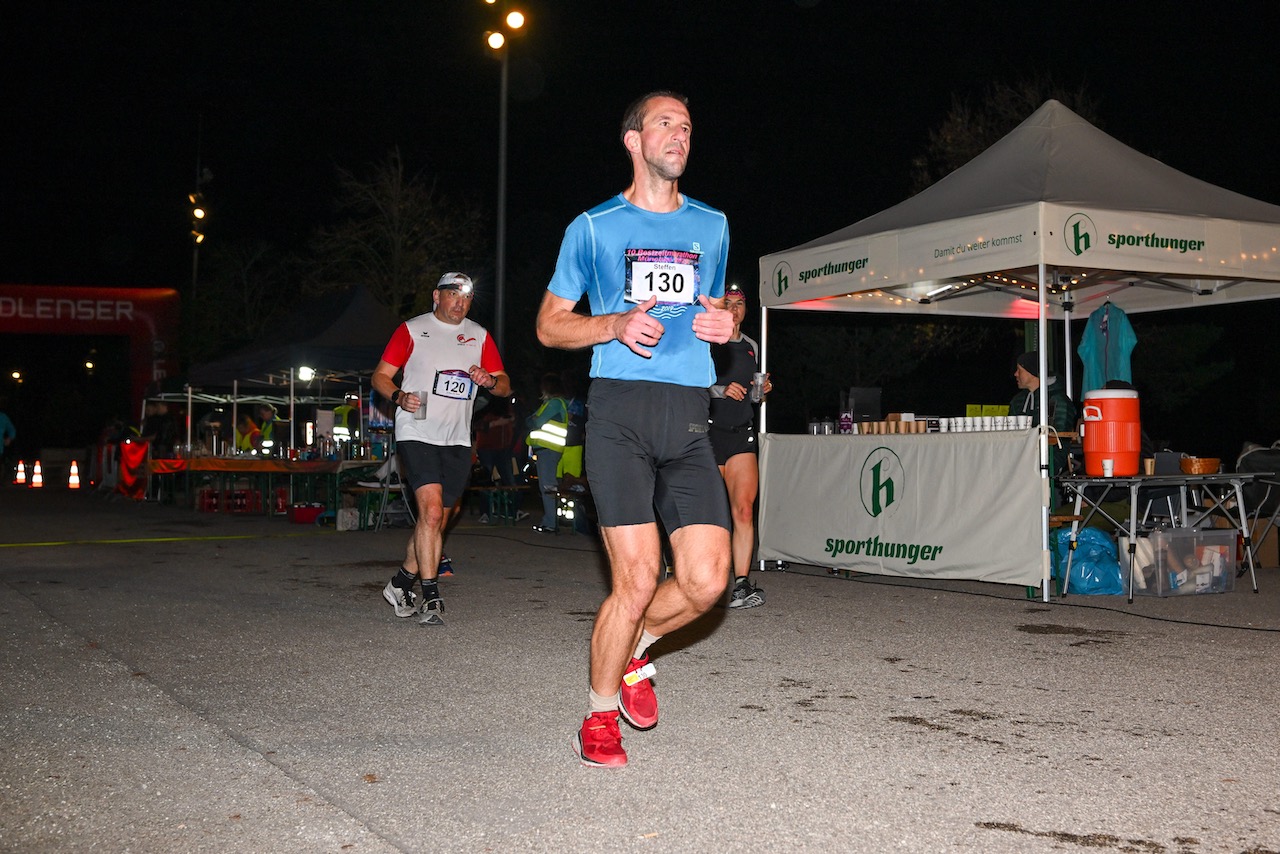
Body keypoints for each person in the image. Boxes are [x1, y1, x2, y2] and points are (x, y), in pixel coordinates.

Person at [536, 90, 735, 767]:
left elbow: (719, 298)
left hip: (686, 416)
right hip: (619, 414)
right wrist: (614, 324)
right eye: (665, 124)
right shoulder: (593, 228)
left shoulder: (712, 225)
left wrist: (727, 322)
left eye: (687, 124)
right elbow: (548, 324)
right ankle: (597, 719)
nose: (679, 133)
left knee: (711, 581)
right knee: (638, 579)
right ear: (633, 139)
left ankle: (634, 651)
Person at [372, 271, 510, 627]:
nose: (460, 303)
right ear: (437, 296)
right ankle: (431, 597)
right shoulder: (413, 329)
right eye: (453, 295)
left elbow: (505, 386)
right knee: (431, 513)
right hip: (417, 430)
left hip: (457, 438)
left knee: (440, 518)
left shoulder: (478, 335)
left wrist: (490, 381)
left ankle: (401, 581)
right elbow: (380, 376)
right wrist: (399, 396)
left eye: (466, 297)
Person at [709, 283, 773, 610]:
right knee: (706, 516)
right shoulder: (705, 341)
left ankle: (741, 584)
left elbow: (754, 394)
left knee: (744, 510)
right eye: (728, 303)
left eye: (739, 304)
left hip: (740, 435)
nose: (733, 309)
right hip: (705, 434)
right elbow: (688, 384)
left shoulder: (752, 346)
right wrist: (720, 390)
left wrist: (761, 390)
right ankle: (688, 577)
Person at [525, 372, 569, 533]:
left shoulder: (554, 403)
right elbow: (532, 420)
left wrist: (533, 419)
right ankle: (550, 521)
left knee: (548, 487)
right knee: (549, 486)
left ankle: (550, 523)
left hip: (548, 450)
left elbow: (536, 421)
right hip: (548, 450)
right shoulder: (553, 403)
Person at [1011, 350, 1076, 435]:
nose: (1016, 374)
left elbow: (1058, 436)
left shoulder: (1058, 400)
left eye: (1019, 370)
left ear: (1032, 372)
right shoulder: (1018, 401)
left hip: (1047, 448)